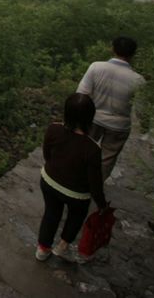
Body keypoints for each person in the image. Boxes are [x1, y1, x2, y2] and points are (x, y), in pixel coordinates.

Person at [35, 93, 107, 263]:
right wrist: (101, 204)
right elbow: (94, 182)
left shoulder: (54, 129)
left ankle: (42, 250)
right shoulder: (92, 148)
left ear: (66, 112)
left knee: (51, 214)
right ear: (91, 117)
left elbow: (47, 154)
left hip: (49, 181)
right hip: (76, 194)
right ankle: (62, 247)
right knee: (76, 217)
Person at [77, 36, 145, 180]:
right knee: (106, 159)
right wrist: (144, 126)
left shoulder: (96, 67)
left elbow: (82, 94)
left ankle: (75, 180)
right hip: (119, 126)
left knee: (82, 150)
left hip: (93, 118)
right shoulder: (138, 80)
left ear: (112, 48)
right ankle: (94, 187)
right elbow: (141, 111)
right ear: (133, 54)